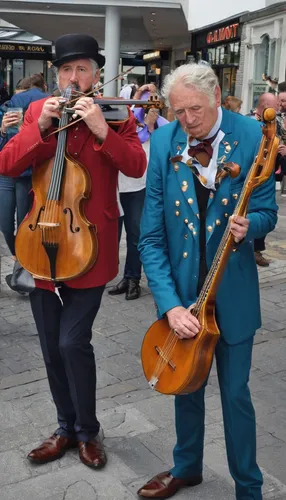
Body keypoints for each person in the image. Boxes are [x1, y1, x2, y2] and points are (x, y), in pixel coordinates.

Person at [0, 34, 146, 468]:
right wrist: (39, 127)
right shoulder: (35, 110)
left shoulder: (116, 112)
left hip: (90, 243)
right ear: (55, 75)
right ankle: (65, 428)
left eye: (82, 69)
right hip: (40, 239)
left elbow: (136, 165)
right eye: (66, 70)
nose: (73, 77)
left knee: (71, 342)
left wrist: (102, 129)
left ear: (97, 74)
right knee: (49, 347)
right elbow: (8, 164)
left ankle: (87, 429)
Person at [137, 64, 277, 500]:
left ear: (217, 95)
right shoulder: (164, 141)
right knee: (185, 386)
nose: (187, 121)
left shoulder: (254, 136)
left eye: (194, 109)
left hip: (231, 292)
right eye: (178, 112)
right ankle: (186, 467)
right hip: (183, 289)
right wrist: (169, 304)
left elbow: (268, 212)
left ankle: (249, 488)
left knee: (235, 395)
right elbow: (151, 235)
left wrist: (249, 226)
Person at [109, 84, 168, 300]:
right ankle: (115, 275)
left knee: (136, 235)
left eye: (150, 102)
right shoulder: (126, 120)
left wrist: (152, 126)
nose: (146, 106)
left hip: (140, 187)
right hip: (116, 185)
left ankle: (133, 278)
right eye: (142, 102)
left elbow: (162, 151)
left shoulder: (162, 125)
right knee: (111, 235)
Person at [0, 74, 49, 292]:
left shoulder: (18, 103)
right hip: (11, 170)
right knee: (21, 223)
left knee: (18, 224)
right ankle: (21, 264)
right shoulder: (43, 101)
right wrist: (2, 129)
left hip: (24, 172)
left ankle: (22, 268)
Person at [252, 93, 279, 266]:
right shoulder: (254, 129)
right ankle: (253, 250)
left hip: (267, 174)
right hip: (254, 176)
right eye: (273, 108)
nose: (276, 111)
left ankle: (256, 250)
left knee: (265, 214)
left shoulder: (275, 125)